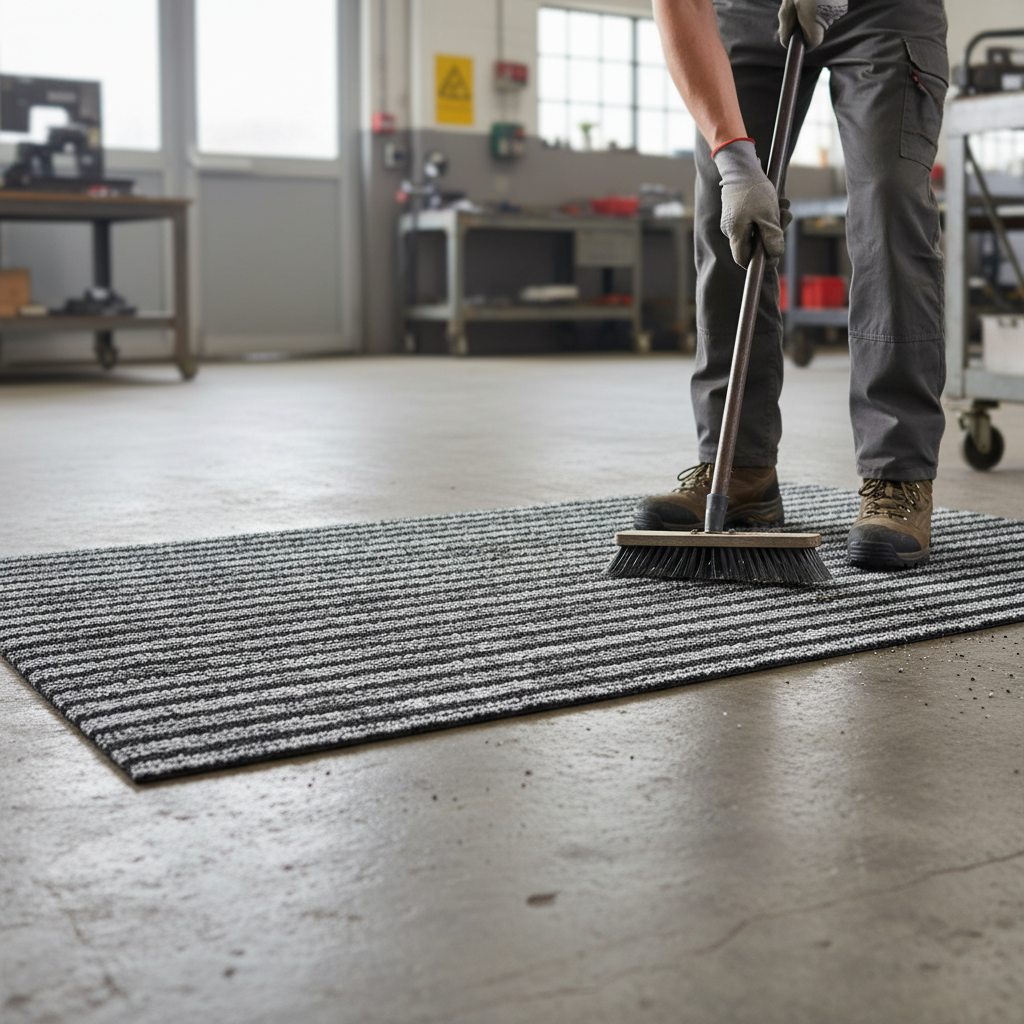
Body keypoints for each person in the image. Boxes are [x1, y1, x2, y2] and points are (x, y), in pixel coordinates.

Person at [635, 0, 949, 569]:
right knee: (724, 212)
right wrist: (736, 165)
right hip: (749, 10)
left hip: (885, 12)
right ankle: (738, 465)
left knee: (888, 201)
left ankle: (897, 474)